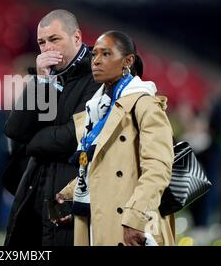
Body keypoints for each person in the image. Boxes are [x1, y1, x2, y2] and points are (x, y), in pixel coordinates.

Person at [57, 30, 175, 246]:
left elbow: (158, 167)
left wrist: (135, 217)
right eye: (94, 55)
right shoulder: (97, 108)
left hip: (132, 222)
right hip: (98, 220)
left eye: (106, 54)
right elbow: (102, 168)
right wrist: (70, 194)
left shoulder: (145, 104)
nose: (96, 61)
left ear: (127, 61)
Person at [4, 9, 100, 246]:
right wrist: (42, 81)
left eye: (54, 39)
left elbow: (72, 137)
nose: (47, 48)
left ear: (76, 37)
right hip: (33, 189)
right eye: (41, 42)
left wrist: (33, 142)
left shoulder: (96, 75)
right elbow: (15, 132)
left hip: (72, 194)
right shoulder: (45, 76)